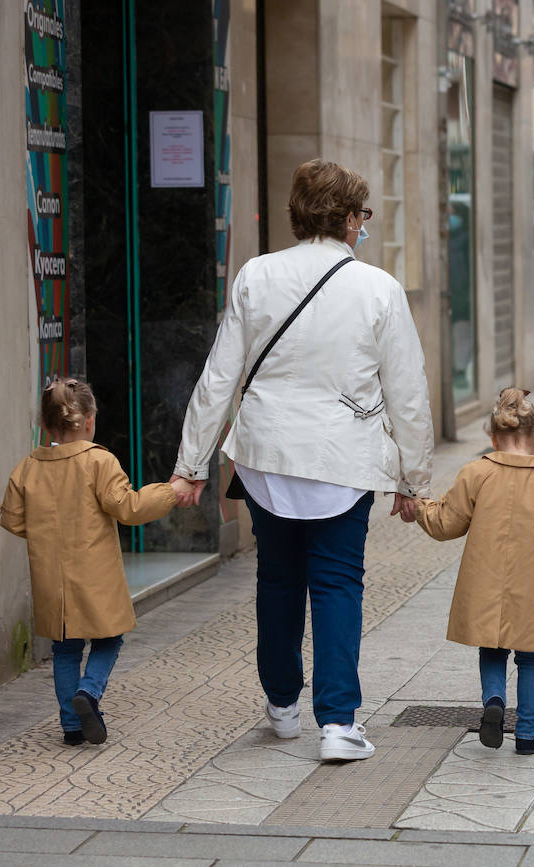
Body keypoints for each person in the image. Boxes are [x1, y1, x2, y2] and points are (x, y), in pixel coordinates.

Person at [171, 158, 434, 763]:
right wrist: (413, 480)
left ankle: (283, 705)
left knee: (278, 579)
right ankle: (338, 723)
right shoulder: (378, 289)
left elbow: (218, 379)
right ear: (346, 218)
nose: (363, 225)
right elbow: (408, 393)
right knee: (339, 582)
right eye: (362, 214)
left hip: (264, 458)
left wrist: (191, 466)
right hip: (342, 459)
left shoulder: (256, 277)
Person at [0, 378, 187, 746]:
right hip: (94, 573)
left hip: (50, 577)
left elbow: (13, 520)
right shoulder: (99, 461)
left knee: (65, 648)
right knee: (109, 639)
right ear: (89, 420)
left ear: (46, 424)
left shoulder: (27, 467)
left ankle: (71, 726)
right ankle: (89, 692)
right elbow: (128, 508)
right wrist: (169, 492)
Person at [410, 388, 534, 755]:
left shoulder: (476, 473)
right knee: (532, 657)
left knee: (492, 649)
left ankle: (494, 701)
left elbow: (447, 522)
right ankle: (525, 734)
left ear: (492, 438)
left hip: (486, 585)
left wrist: (418, 508)